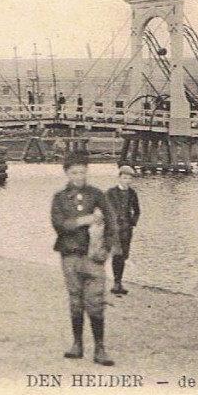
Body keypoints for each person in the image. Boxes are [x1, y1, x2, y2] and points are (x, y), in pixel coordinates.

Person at [50, 152, 119, 366]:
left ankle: (100, 348)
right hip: (70, 256)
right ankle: (77, 344)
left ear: (87, 172)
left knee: (96, 301)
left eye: (82, 171)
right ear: (67, 173)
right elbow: (60, 224)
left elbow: (112, 224)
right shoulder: (60, 198)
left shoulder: (97, 195)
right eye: (74, 172)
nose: (78, 176)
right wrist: (86, 220)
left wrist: (106, 250)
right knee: (75, 300)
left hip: (94, 257)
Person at [106, 165, 141, 295]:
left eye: (129, 178)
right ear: (119, 178)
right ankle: (117, 283)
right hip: (114, 229)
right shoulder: (110, 193)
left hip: (127, 229)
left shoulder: (132, 193)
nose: (127, 180)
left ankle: (119, 281)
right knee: (117, 255)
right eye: (124, 177)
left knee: (124, 255)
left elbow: (137, 211)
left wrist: (132, 222)